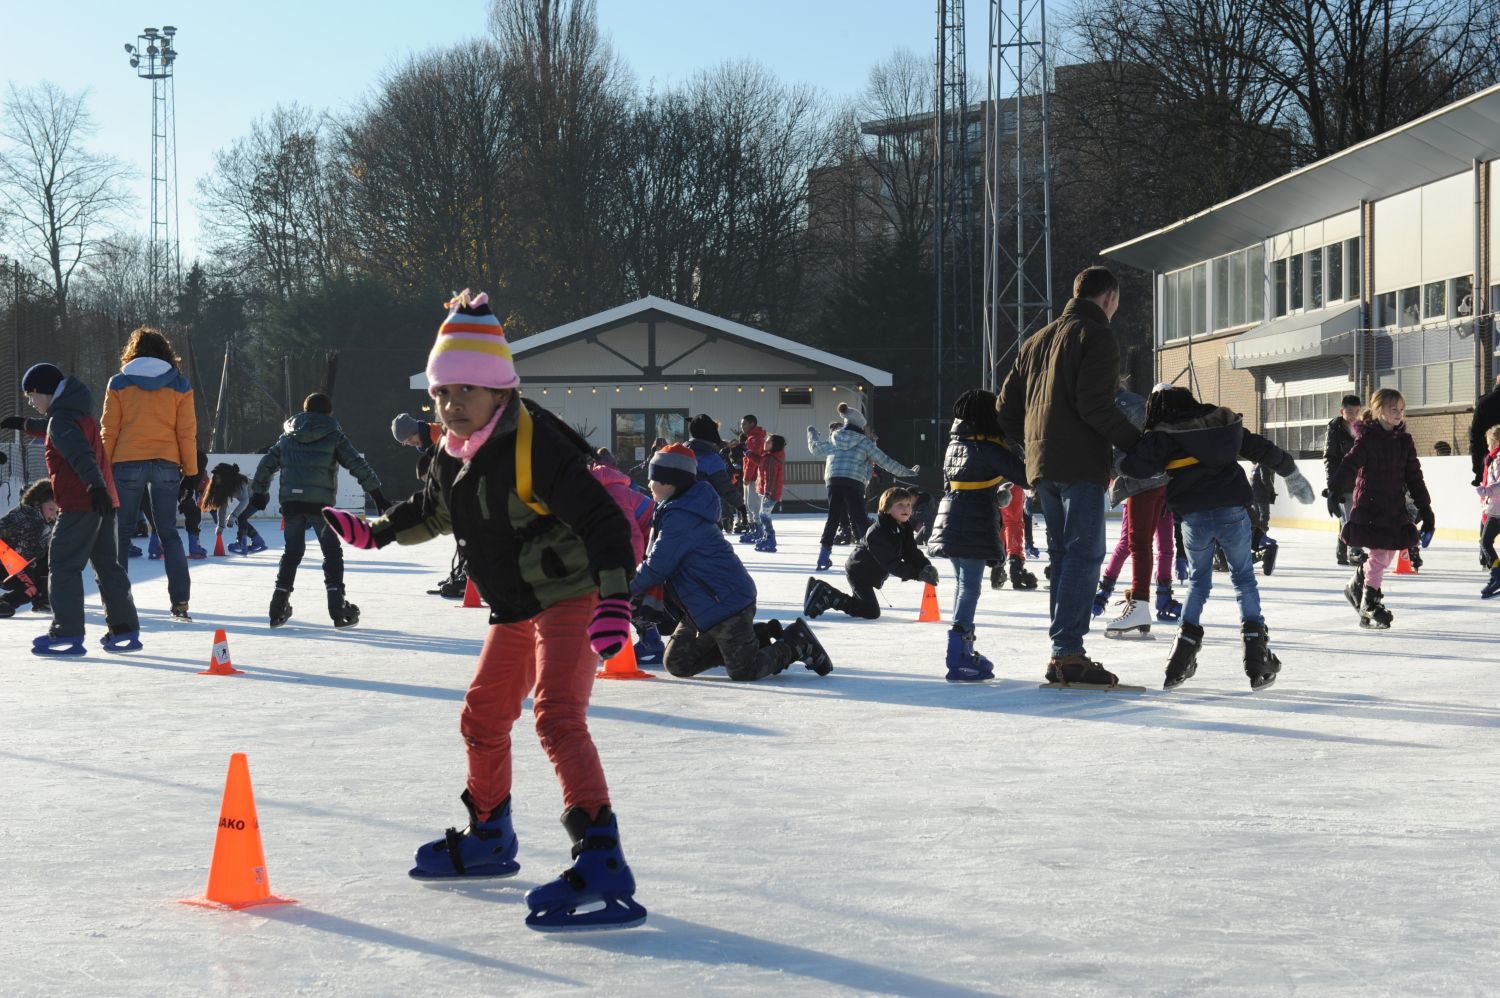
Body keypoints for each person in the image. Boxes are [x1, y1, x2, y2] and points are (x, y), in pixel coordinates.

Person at [322, 290, 647, 931]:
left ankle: (601, 855)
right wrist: (376, 531)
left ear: (500, 392)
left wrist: (613, 600)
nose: (451, 405)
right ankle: (490, 834)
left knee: (556, 717)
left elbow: (603, 522)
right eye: (442, 393)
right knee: (483, 716)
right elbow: (433, 509)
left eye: (466, 391)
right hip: (516, 602)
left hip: (572, 591)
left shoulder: (538, 445)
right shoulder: (454, 448)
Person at [997, 266, 1141, 687]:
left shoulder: (1036, 340)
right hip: (1080, 464)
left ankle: (1063, 653)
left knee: (1063, 557)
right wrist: (1138, 444)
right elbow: (1095, 406)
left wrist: (1032, 447)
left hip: (1042, 467)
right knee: (1083, 555)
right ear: (1109, 298)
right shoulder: (1095, 335)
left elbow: (1006, 411)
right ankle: (1068, 653)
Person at [1121, 384, 1316, 690]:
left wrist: (1139, 440)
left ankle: (1181, 654)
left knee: (1199, 582)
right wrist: (1290, 471)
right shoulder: (1221, 424)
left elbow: (1133, 466)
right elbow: (1262, 448)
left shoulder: (1162, 434)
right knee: (1243, 579)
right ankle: (1256, 653)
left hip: (1194, 518)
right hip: (1232, 513)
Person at [632, 442, 832, 681]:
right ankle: (756, 639)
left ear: (669, 482)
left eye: (653, 479)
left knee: (744, 670)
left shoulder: (682, 517)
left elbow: (657, 566)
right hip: (702, 607)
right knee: (678, 664)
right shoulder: (672, 509)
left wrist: (620, 587)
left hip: (728, 604)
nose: (649, 484)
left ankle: (795, 643)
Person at [4, 362, 140, 655]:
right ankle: (125, 629)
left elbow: (79, 454)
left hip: (81, 502)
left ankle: (67, 632)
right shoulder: (75, 411)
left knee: (63, 565)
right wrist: (22, 423)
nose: (31, 401)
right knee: (107, 567)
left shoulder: (62, 419)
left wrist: (94, 486)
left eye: (31, 395)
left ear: (43, 392)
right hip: (105, 502)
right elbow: (57, 430)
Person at [248, 392, 387, 629]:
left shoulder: (287, 437)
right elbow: (357, 464)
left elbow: (265, 464)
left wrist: (260, 493)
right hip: (320, 507)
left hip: (291, 504)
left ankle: (277, 605)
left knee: (292, 553)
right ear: (329, 413)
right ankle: (337, 607)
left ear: (305, 410)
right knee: (331, 553)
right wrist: (378, 495)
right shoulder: (333, 436)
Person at [927, 389, 1029, 681]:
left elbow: (960, 482)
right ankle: (959, 652)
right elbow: (1026, 475)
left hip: (950, 516)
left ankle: (961, 649)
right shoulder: (988, 447)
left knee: (962, 584)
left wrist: (994, 496)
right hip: (972, 519)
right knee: (970, 586)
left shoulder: (954, 445)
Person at [99, 326, 198, 621]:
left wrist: (103, 469)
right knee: (168, 533)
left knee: (121, 533)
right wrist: (191, 471)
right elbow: (187, 432)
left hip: (126, 462)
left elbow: (109, 430)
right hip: (167, 463)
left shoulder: (118, 383)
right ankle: (180, 602)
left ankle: (117, 603)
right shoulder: (180, 384)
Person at [1328, 388, 1434, 631]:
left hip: (1394, 506)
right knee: (1379, 556)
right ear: (1379, 411)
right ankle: (1369, 601)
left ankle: (1356, 584)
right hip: (1371, 505)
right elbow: (1349, 463)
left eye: (1402, 409)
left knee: (1386, 556)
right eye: (1393, 409)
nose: (1399, 414)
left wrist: (1426, 509)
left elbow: (1414, 477)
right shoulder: (1368, 438)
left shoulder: (1404, 441)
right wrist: (1334, 491)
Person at [1097, 383, 1175, 637]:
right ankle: (1152, 598)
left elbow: (1123, 450)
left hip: (1142, 482)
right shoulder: (1139, 402)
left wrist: (1106, 470)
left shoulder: (1121, 406)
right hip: (1161, 481)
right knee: (1150, 544)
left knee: (1137, 544)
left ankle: (1140, 604)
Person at [807, 402, 919, 572]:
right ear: (860, 426)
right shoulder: (865, 443)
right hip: (854, 481)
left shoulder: (834, 438)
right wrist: (907, 472)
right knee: (859, 517)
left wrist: (812, 434)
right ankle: (874, 553)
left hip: (834, 480)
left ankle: (823, 556)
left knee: (833, 517)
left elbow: (815, 448)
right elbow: (885, 461)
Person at [804, 486, 937, 622]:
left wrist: (925, 566)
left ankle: (821, 591)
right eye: (900, 505)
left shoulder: (904, 526)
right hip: (859, 572)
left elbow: (911, 552)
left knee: (865, 606)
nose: (906, 509)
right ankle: (827, 595)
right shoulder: (877, 533)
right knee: (870, 611)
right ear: (886, 508)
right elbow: (891, 563)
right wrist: (918, 574)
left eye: (909, 505)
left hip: (871, 572)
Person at [0, 477, 57, 616]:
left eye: (56, 511)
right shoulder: (29, 522)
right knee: (29, 590)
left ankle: (42, 598)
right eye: (51, 509)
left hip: (15, 562)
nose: (53, 515)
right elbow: (17, 560)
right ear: (37, 503)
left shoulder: (40, 518)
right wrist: (31, 589)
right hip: (5, 562)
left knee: (50, 553)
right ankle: (32, 598)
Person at [1323, 394, 1362, 566]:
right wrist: (1333, 486)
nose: (1353, 415)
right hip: (1343, 480)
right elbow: (1330, 459)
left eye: (1356, 411)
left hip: (1360, 481)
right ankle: (1355, 551)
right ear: (1342, 411)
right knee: (1350, 518)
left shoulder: (1362, 429)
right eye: (1349, 411)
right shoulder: (1334, 430)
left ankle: (1341, 553)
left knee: (1349, 517)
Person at [685, 414, 738, 531]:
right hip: (707, 503)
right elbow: (723, 483)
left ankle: (726, 519)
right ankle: (726, 520)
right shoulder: (709, 454)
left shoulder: (685, 449)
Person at [202, 464, 266, 555]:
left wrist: (233, 515)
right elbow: (222, 506)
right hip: (251, 498)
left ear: (226, 477)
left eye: (218, 478)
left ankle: (242, 542)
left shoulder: (240, 482)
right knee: (239, 517)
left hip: (260, 497)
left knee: (240, 516)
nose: (216, 480)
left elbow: (245, 500)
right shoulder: (224, 487)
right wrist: (220, 525)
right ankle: (257, 541)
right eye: (215, 478)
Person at [1477, 424, 1500, 599]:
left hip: (1498, 510)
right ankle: (1496, 574)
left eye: (1488, 442)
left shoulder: (1498, 459)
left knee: (1485, 542)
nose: (1487, 447)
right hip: (1493, 508)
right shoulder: (1493, 459)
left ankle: (1497, 575)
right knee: (1485, 541)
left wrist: (1487, 491)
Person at [736, 415, 767, 543]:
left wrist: (747, 477)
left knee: (753, 505)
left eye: (744, 424)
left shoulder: (755, 439)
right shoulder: (752, 437)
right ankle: (754, 529)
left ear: (752, 423)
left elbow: (752, 460)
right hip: (751, 476)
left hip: (754, 477)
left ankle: (758, 531)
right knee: (749, 504)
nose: (742, 427)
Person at [753, 434, 785, 552]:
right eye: (765, 441)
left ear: (775, 445)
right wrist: (748, 453)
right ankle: (767, 537)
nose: (765, 443)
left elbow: (770, 478)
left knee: (764, 515)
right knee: (763, 515)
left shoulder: (771, 459)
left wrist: (768, 492)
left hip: (770, 493)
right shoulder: (767, 457)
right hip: (769, 492)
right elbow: (758, 461)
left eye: (768, 442)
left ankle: (770, 539)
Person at [1470, 373, 1500, 486]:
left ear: (1496, 382)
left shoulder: (1484, 403)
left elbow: (1475, 438)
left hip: (1490, 463)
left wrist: (1478, 469)